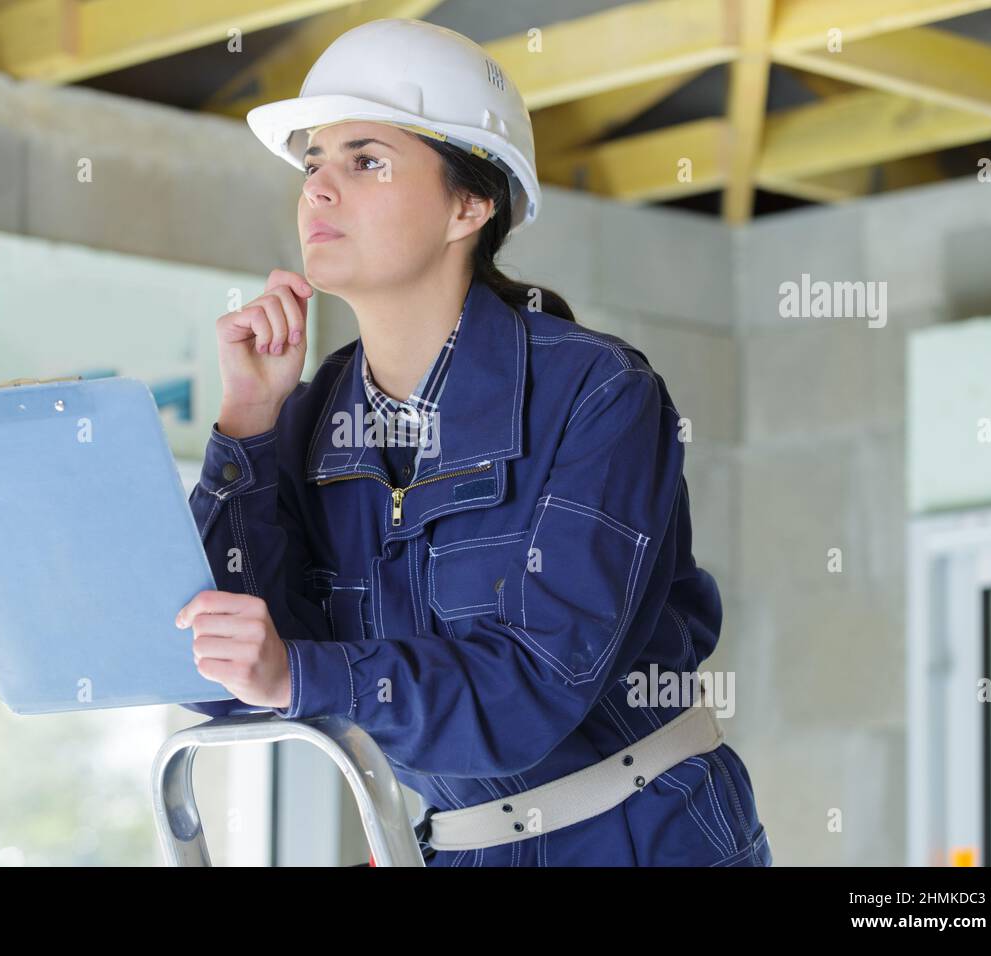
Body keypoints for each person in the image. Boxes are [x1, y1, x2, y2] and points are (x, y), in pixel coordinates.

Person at [176, 18, 771, 867]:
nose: (318, 189)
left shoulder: (597, 398)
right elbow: (226, 679)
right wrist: (248, 425)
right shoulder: (305, 422)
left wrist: (299, 675)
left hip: (641, 836)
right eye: (314, 163)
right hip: (462, 848)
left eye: (365, 160)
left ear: (470, 203)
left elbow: (533, 689)